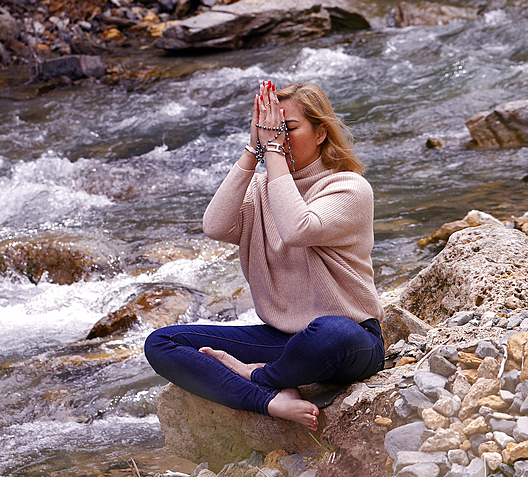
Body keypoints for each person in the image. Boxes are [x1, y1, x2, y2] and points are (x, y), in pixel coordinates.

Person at [144, 80, 384, 430]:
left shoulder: (348, 187)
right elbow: (214, 226)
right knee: (162, 342)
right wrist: (249, 153)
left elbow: (297, 228)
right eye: (270, 130)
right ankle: (269, 401)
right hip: (282, 342)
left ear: (320, 133)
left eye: (288, 129)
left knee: (332, 331)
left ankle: (257, 376)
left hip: (348, 342)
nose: (279, 139)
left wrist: (271, 154)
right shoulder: (259, 188)